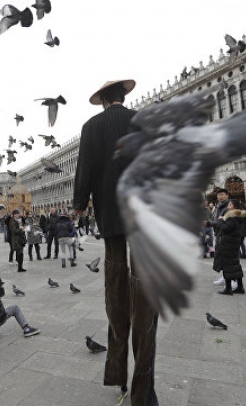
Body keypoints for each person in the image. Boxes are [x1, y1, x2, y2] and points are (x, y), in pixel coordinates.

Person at [73, 78, 158, 405]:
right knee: (144, 294)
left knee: (115, 290)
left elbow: (86, 168)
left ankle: (117, 372)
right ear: (123, 97)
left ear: (104, 101)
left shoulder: (92, 126)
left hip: (110, 214)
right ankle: (143, 394)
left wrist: (80, 204)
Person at [208, 200, 246, 295]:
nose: (228, 207)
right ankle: (240, 287)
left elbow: (225, 229)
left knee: (227, 266)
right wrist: (210, 223)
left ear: (234, 207)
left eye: (230, 205)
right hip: (234, 243)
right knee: (235, 265)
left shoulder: (231, 217)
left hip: (227, 244)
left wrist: (222, 219)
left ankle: (228, 289)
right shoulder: (239, 216)